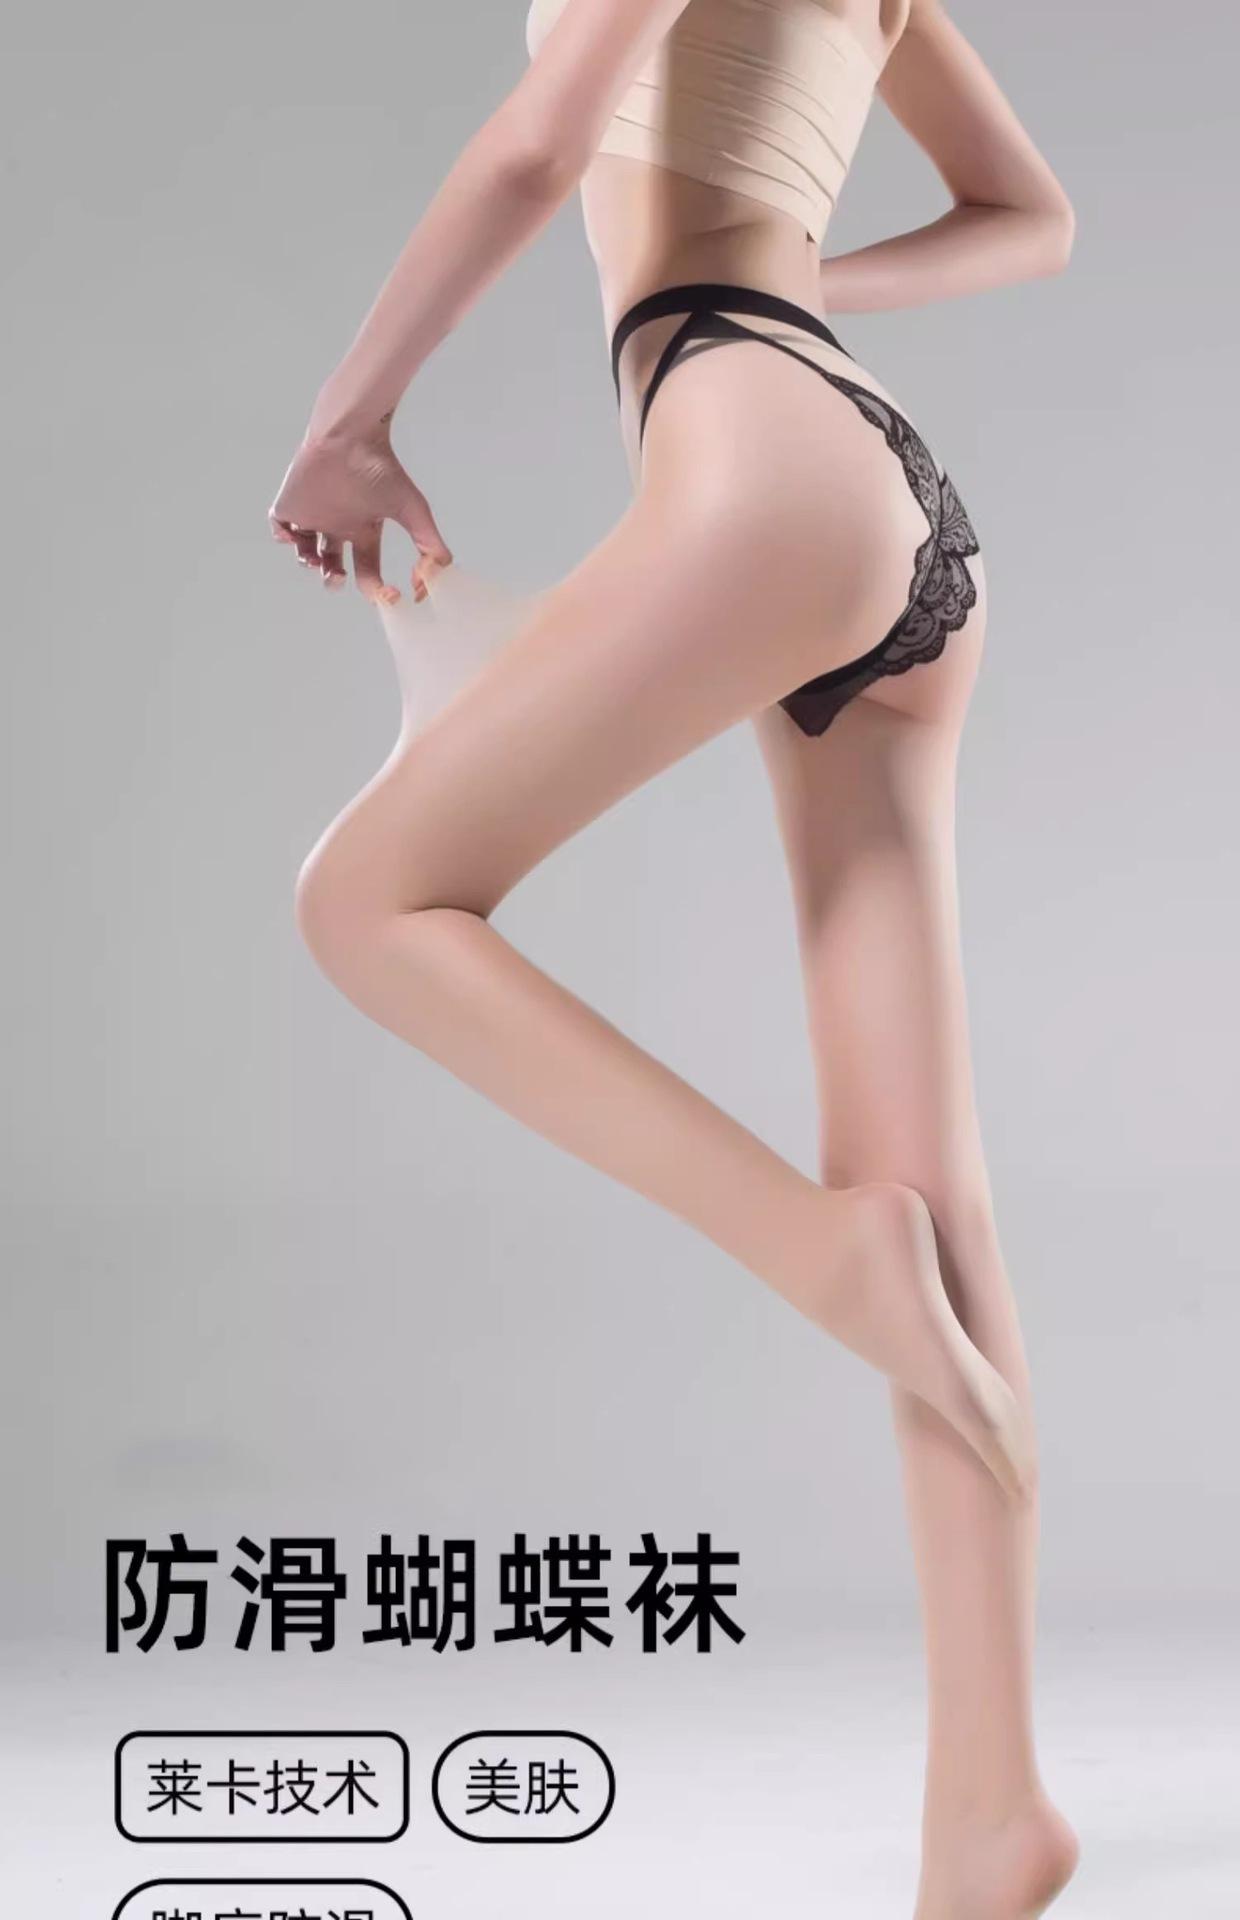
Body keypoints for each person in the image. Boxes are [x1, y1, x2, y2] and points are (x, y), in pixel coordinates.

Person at [268, 2, 1080, 1912]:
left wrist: (348, 422)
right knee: (931, 1178)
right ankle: (992, 1812)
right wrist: (806, 284)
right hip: (875, 468)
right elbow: (1030, 217)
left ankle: (818, 1253)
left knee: (365, 904)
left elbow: (538, 142)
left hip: (750, 428)